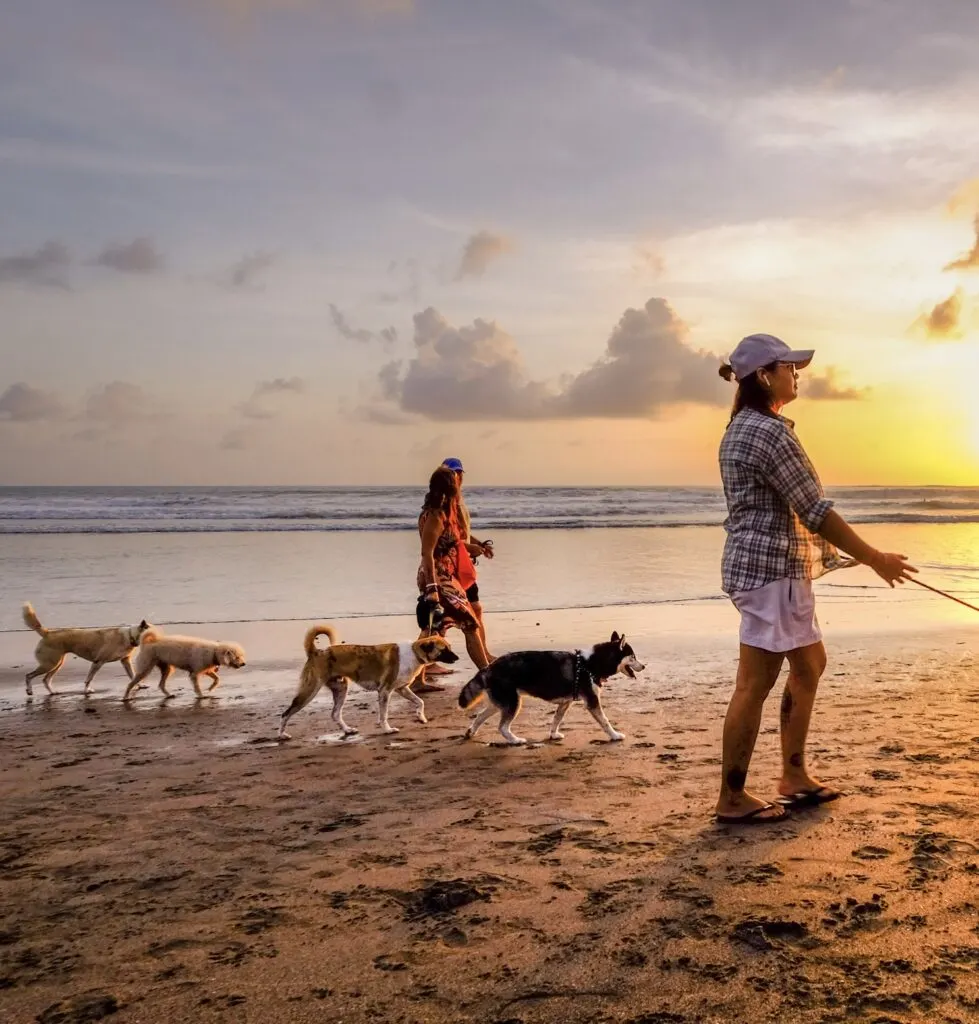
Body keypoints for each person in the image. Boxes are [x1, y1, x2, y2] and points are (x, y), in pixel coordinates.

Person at [715, 333, 916, 825]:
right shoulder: (769, 433)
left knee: (809, 664)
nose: (796, 373)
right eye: (789, 366)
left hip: (769, 570)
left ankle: (793, 775)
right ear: (765, 376)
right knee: (754, 682)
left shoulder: (742, 427)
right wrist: (874, 557)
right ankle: (732, 797)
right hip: (770, 573)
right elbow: (816, 510)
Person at [416, 466, 490, 686]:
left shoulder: (445, 512)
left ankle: (416, 681)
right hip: (439, 577)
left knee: (433, 628)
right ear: (451, 488)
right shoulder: (436, 516)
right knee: (470, 623)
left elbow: (452, 542)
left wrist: (472, 547)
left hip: (445, 575)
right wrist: (432, 588)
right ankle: (488, 676)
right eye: (456, 482)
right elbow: (427, 553)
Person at [441, 457, 495, 662]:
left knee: (475, 610)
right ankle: (427, 665)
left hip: (463, 564)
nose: (456, 477)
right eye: (452, 473)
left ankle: (485, 654)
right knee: (443, 618)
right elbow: (445, 539)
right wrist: (467, 547)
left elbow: (462, 533)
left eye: (458, 473)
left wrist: (479, 545)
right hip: (449, 567)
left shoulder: (458, 500)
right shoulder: (443, 504)